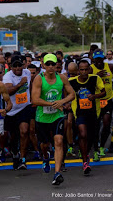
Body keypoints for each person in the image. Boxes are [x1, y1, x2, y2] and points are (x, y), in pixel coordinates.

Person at [32, 53, 75, 185]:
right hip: (42, 117)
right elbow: (35, 100)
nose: (50, 67)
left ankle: (57, 173)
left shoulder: (62, 78)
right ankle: (45, 157)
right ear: (43, 65)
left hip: (57, 116)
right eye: (48, 64)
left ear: (57, 65)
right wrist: (52, 104)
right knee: (44, 145)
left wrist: (62, 101)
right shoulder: (39, 79)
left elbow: (72, 94)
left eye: (53, 64)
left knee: (58, 141)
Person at [69, 60, 106, 175]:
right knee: (82, 134)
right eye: (81, 70)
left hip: (93, 112)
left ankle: (86, 153)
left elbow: (103, 92)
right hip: (79, 113)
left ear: (89, 69)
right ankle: (85, 162)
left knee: (90, 137)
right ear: (78, 70)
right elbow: (67, 94)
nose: (84, 72)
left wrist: (94, 96)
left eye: (86, 69)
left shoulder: (95, 79)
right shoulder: (72, 82)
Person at [3, 55, 36, 170]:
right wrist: (20, 85)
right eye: (15, 66)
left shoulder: (26, 72)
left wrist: (31, 97)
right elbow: (7, 92)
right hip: (12, 110)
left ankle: (23, 159)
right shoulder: (7, 77)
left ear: (23, 65)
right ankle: (15, 152)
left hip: (25, 107)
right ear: (11, 67)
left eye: (19, 65)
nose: (18, 68)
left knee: (24, 131)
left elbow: (31, 84)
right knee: (13, 136)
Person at [90, 49, 113, 157]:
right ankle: (95, 148)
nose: (99, 61)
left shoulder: (110, 67)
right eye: (96, 59)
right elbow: (87, 83)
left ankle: (102, 146)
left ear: (103, 58)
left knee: (107, 124)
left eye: (100, 59)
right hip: (96, 101)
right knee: (96, 126)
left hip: (107, 99)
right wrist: (96, 76)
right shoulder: (90, 69)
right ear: (94, 59)